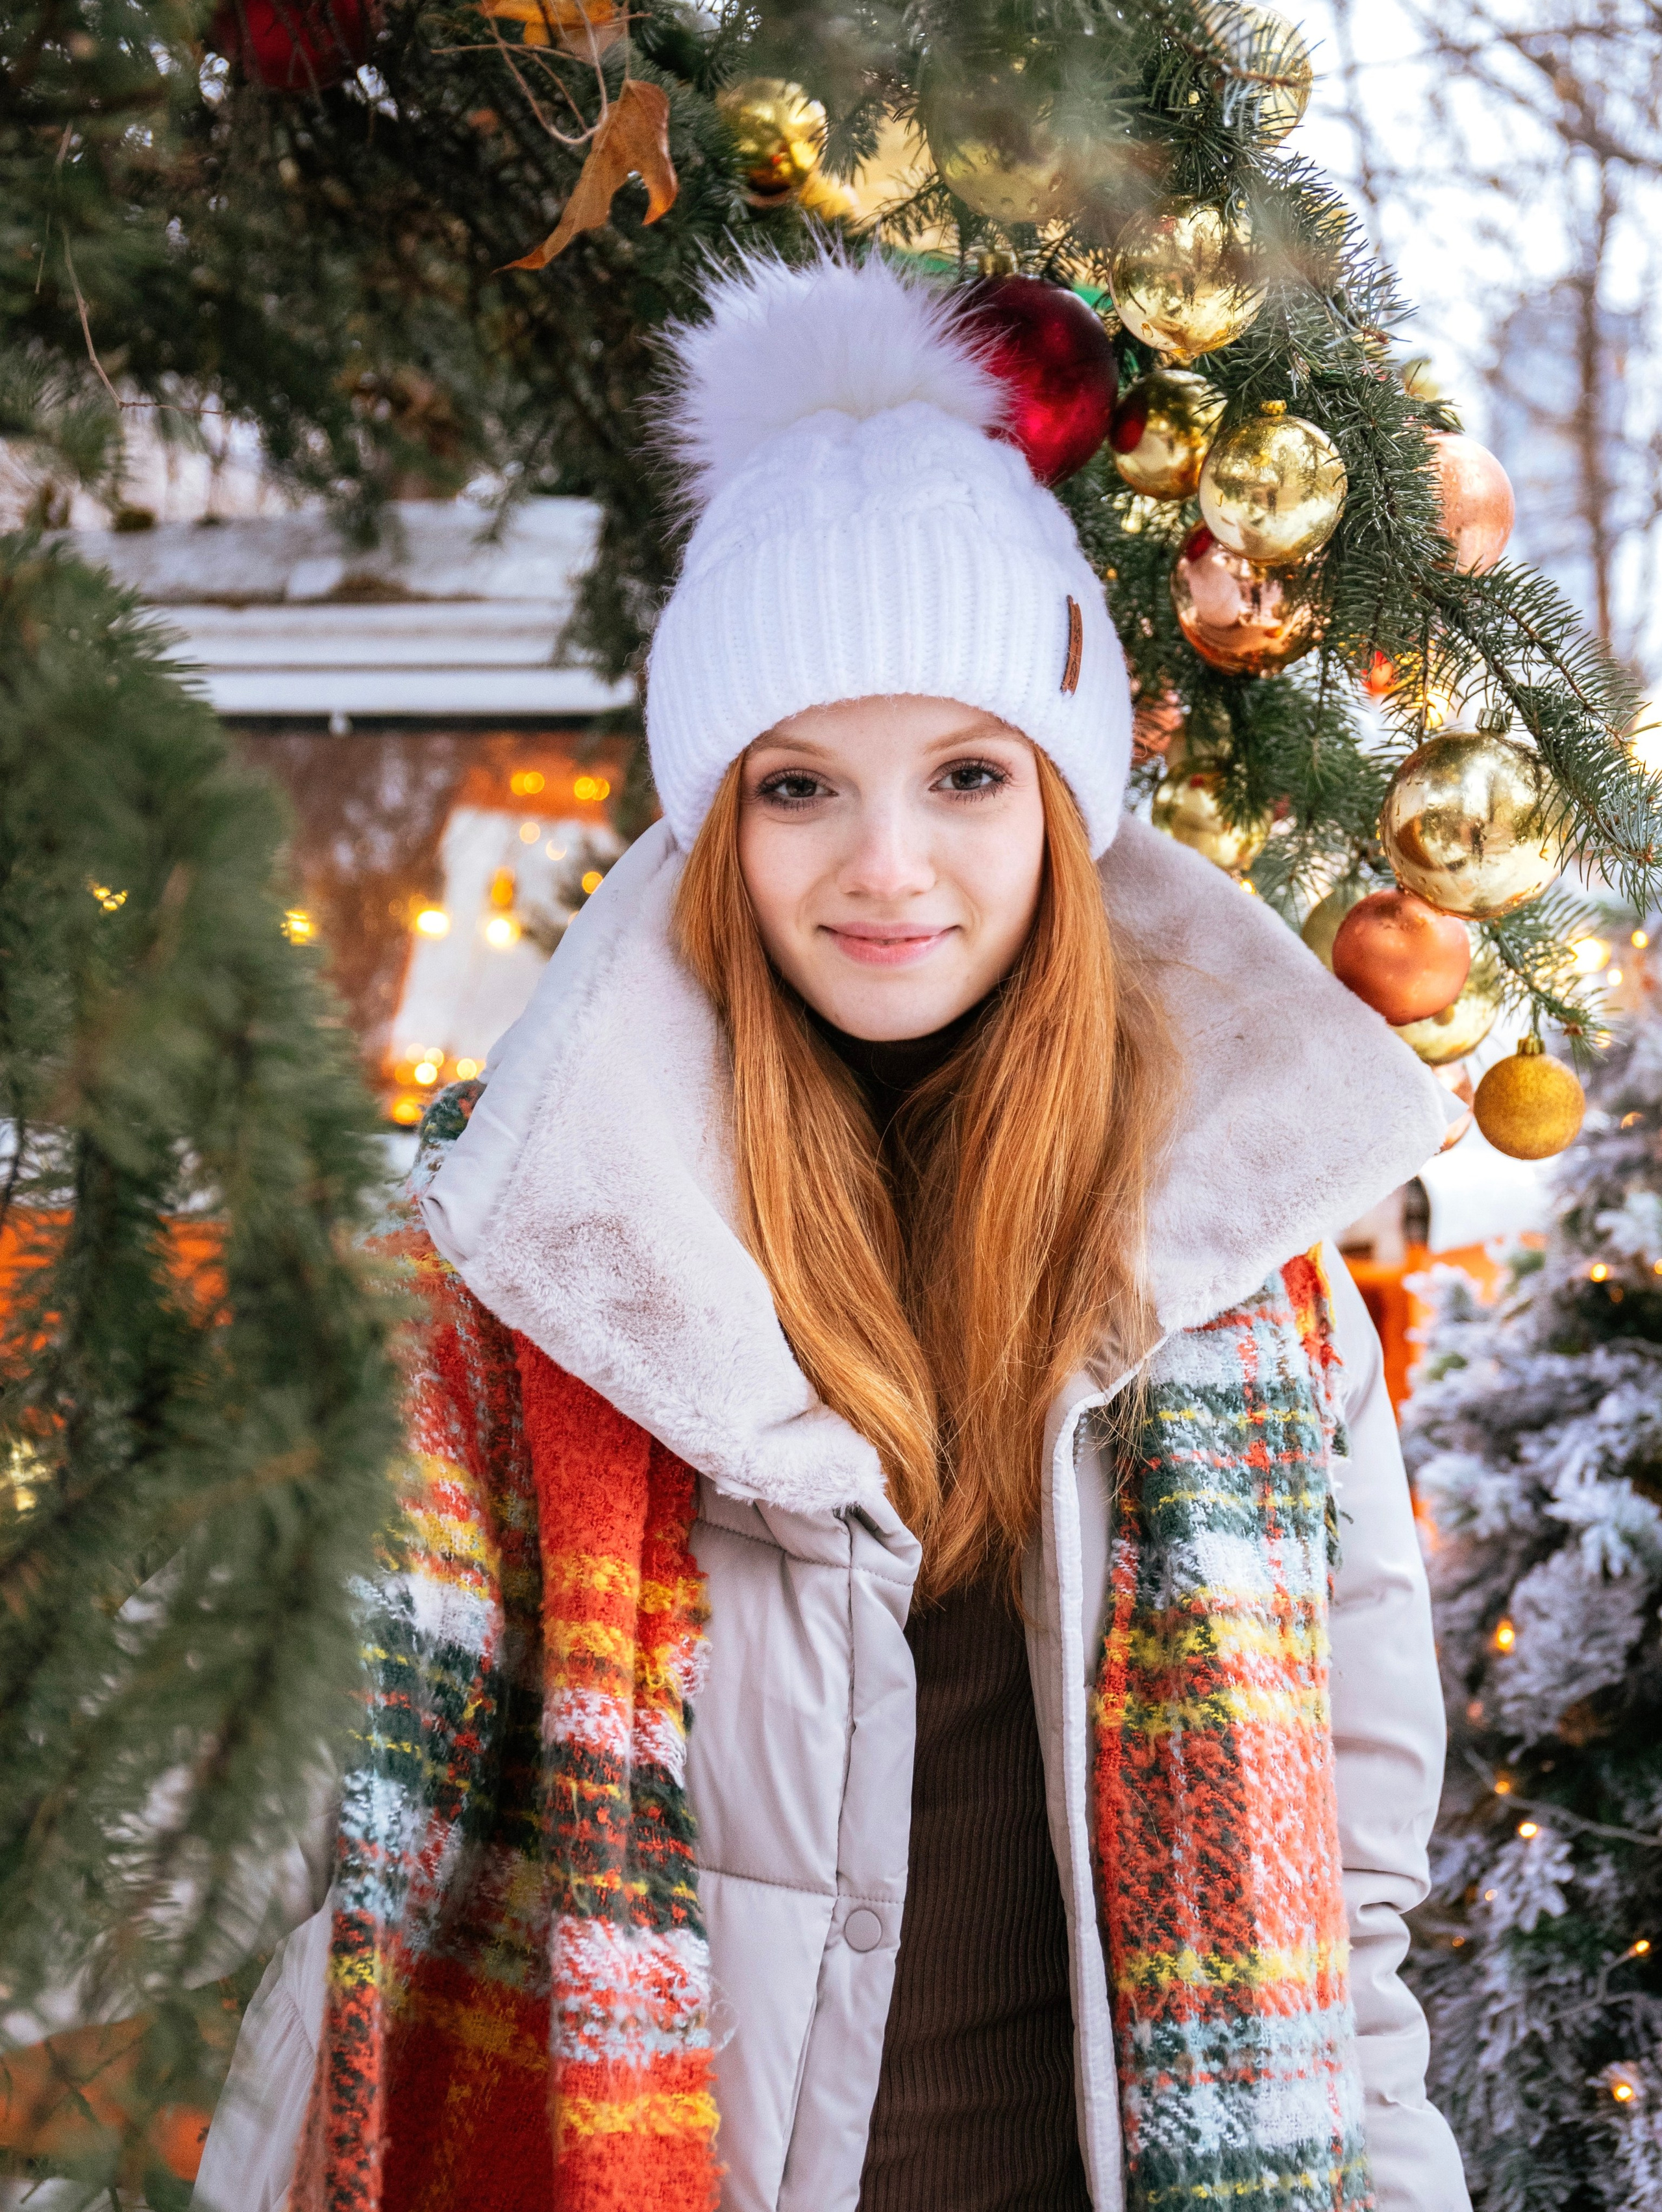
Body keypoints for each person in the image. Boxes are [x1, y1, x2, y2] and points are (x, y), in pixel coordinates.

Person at [197, 251, 1470, 2212]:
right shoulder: (528, 1260)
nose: (889, 868)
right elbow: (253, 1827)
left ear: (1066, 805)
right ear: (718, 827)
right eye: (800, 788)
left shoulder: (1252, 1277)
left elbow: (1347, 1901)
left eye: (967, 776)